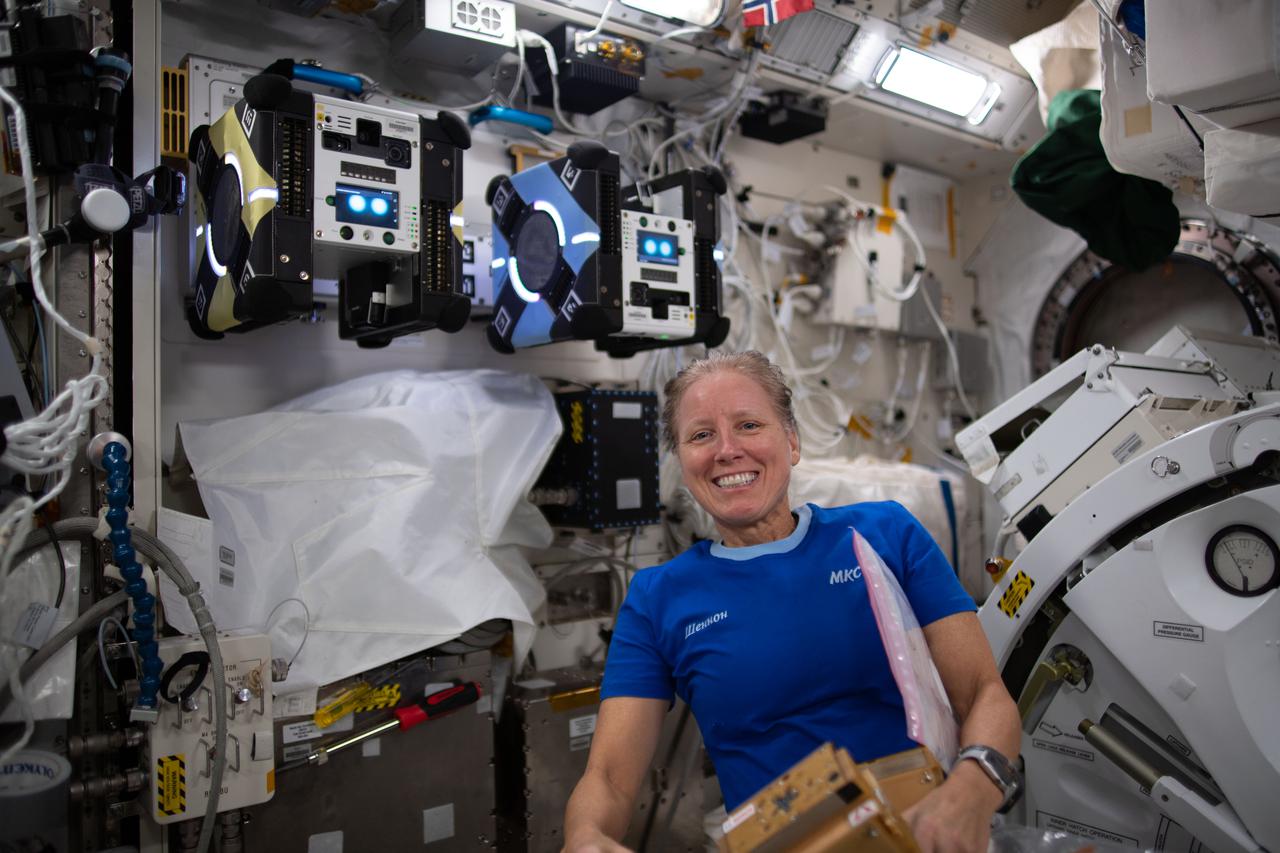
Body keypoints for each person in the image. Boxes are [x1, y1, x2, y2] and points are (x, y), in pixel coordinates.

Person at [562, 350, 1021, 853]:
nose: (727, 450)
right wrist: (586, 838)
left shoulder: (884, 536)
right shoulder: (658, 599)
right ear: (682, 462)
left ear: (793, 441)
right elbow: (608, 776)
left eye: (749, 424)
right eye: (700, 435)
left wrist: (973, 791)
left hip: (922, 834)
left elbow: (983, 694)